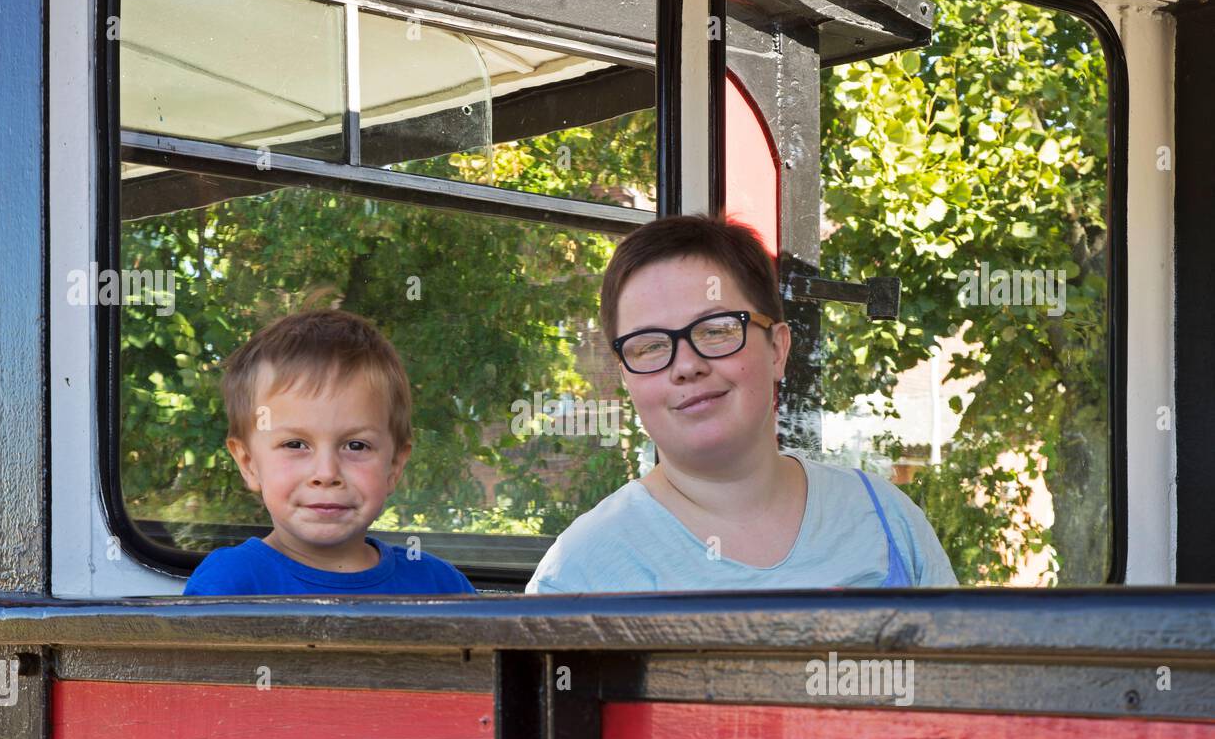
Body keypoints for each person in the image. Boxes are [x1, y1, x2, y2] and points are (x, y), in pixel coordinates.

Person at [525, 215, 957, 593]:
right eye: (651, 346)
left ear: (777, 349)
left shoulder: (887, 521)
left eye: (716, 330)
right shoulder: (578, 572)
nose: (687, 366)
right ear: (625, 377)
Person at [184, 308, 477, 596]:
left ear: (394, 466)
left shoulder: (441, 587)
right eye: (295, 445)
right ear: (249, 464)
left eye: (356, 445)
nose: (326, 473)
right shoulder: (228, 586)